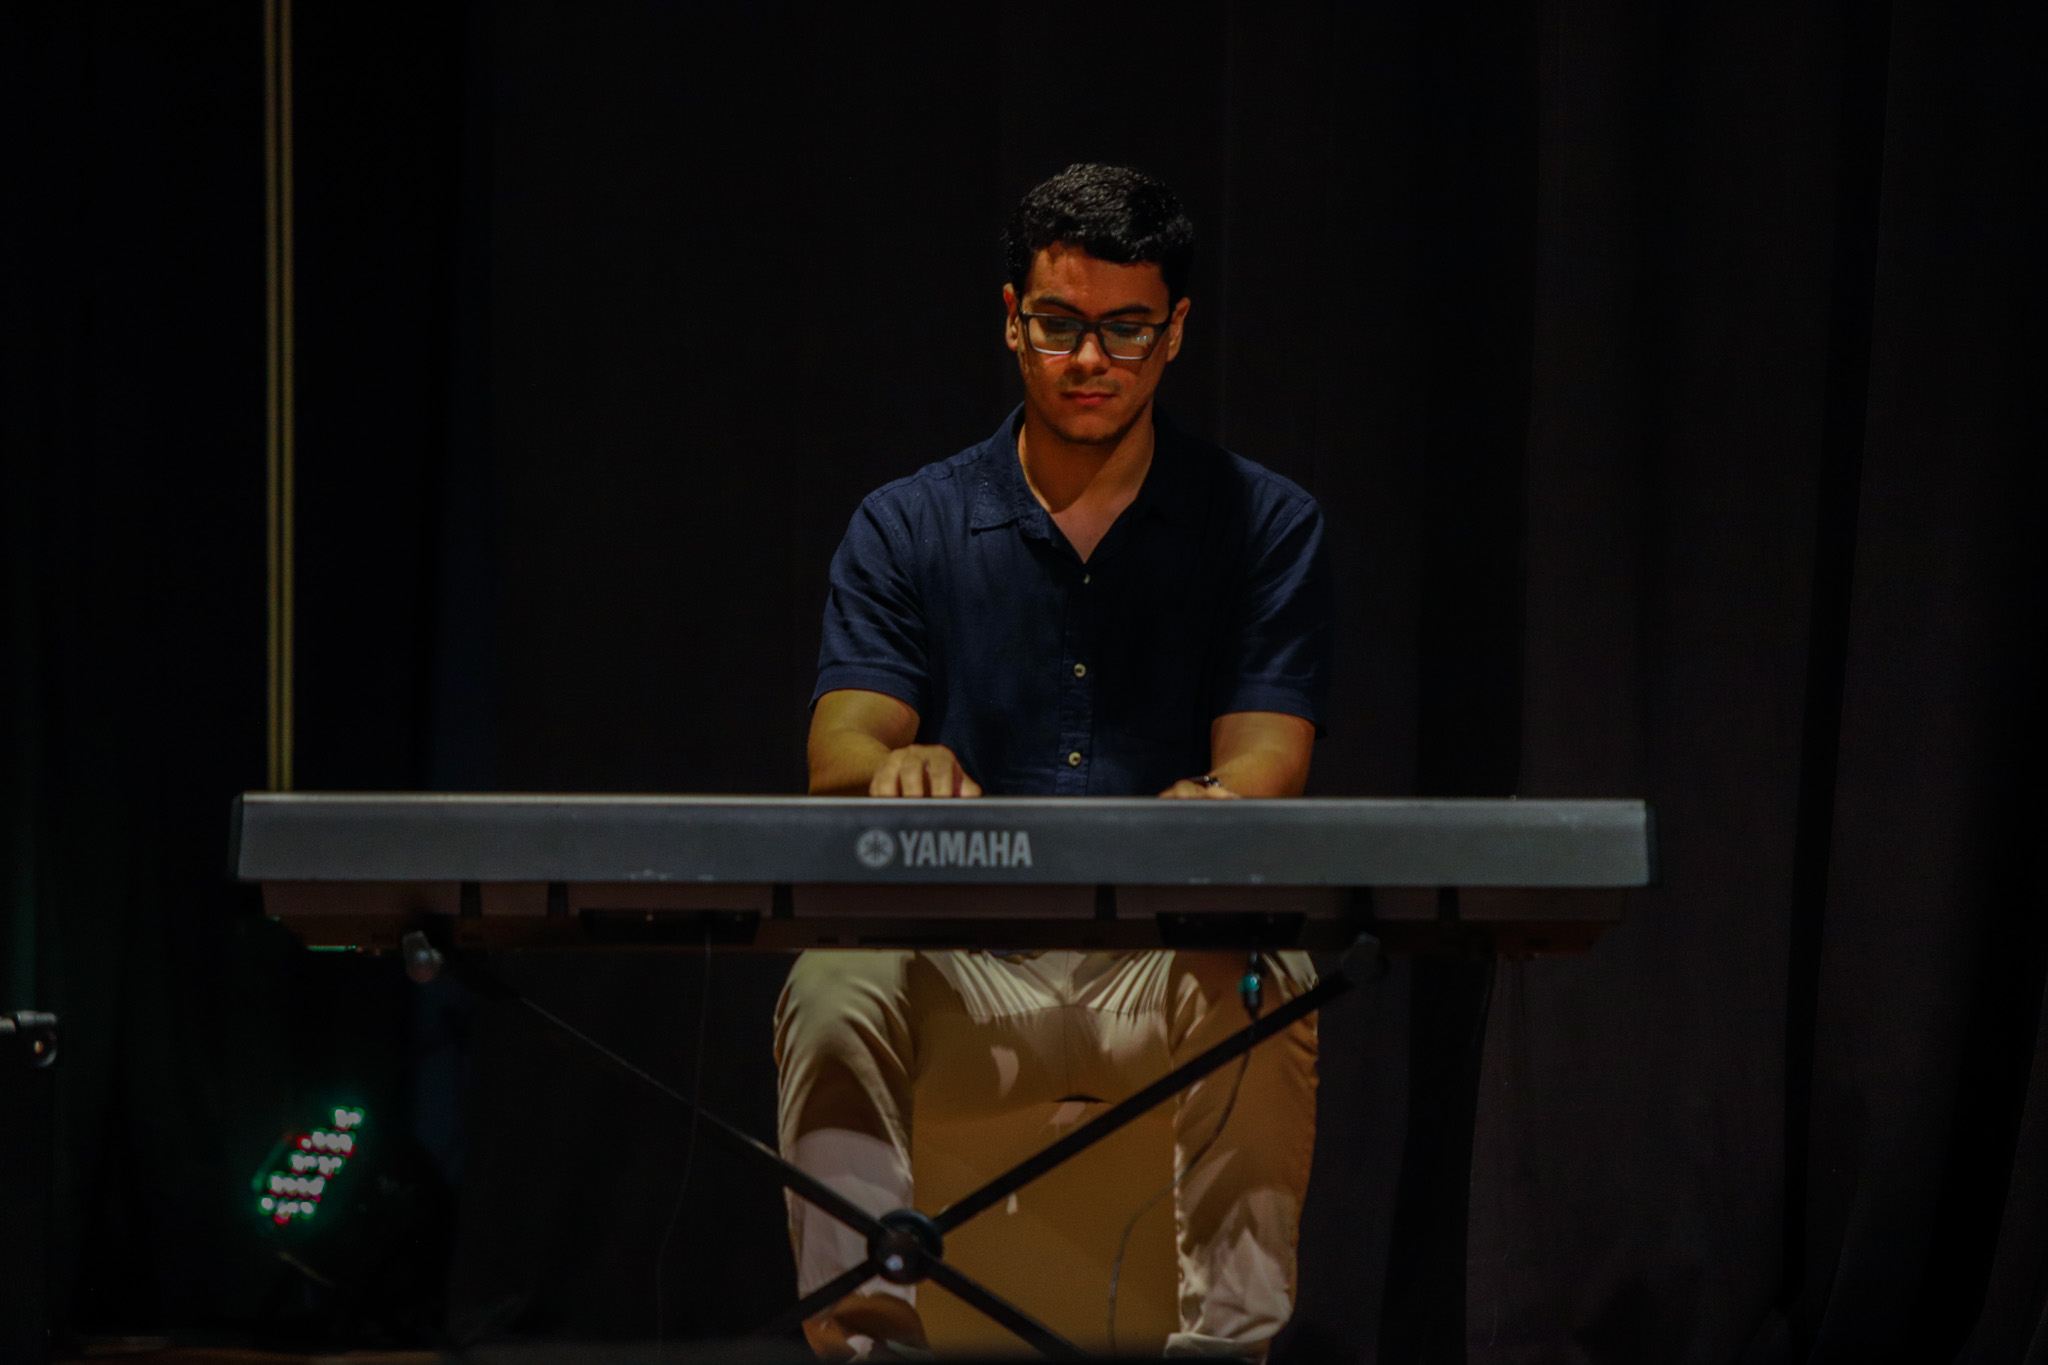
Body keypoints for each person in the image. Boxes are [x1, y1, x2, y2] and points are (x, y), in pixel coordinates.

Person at [776, 163, 1331, 1360]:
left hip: (1160, 973)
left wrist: (1212, 800)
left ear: (1174, 331)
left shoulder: (1263, 524)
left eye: (1125, 329)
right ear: (1009, 319)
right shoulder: (907, 523)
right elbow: (841, 747)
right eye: (1058, 324)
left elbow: (1267, 759)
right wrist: (895, 763)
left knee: (1260, 971)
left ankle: (1225, 1352)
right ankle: (870, 1350)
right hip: (968, 974)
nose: (1089, 359)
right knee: (830, 979)